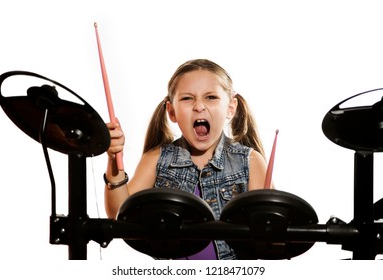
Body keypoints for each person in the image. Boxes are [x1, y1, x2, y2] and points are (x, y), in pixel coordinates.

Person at [103, 59, 269, 260]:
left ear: (231, 107)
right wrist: (113, 159)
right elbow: (118, 216)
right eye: (187, 99)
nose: (199, 106)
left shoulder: (249, 161)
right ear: (171, 111)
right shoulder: (156, 159)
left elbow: (269, 233)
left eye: (211, 97)